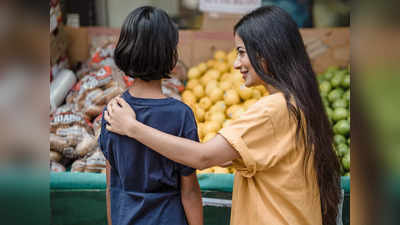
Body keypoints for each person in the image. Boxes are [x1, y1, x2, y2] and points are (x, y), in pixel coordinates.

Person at [105, 5, 341, 225]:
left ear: (267, 53)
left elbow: (203, 157)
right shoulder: (295, 103)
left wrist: (133, 127)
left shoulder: (273, 110)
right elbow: (218, 161)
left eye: (241, 53)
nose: (236, 64)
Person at [98, 6, 203, 225]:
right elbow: (190, 192)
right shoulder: (181, 115)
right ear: (172, 57)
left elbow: (112, 186)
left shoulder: (113, 111)